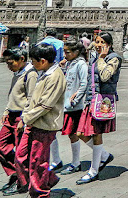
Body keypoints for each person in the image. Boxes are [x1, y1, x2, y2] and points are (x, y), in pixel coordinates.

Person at [14, 42, 66, 198]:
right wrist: (24, 117)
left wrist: (27, 118)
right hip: (33, 121)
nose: (32, 64)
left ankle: (41, 192)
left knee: (38, 162)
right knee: (20, 156)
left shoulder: (55, 76)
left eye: (34, 61)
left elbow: (45, 105)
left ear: (43, 61)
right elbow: (33, 99)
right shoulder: (43, 72)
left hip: (44, 124)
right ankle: (48, 178)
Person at [75, 33, 120, 185]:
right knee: (80, 133)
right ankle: (104, 155)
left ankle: (93, 170)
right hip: (91, 100)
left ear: (109, 44)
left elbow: (105, 75)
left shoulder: (113, 58)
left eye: (102, 42)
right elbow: (90, 78)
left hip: (102, 101)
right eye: (97, 42)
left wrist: (101, 58)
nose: (99, 44)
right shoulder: (94, 56)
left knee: (96, 134)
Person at [0, 48, 37, 195]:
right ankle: (16, 174)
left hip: (21, 117)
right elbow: (13, 94)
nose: (9, 66)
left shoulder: (30, 74)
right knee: (0, 145)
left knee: (21, 152)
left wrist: (24, 119)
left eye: (11, 63)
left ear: (22, 59)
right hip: (11, 115)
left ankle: (22, 182)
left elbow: (31, 98)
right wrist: (6, 111)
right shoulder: (17, 73)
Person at [49, 39, 89, 174]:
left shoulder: (81, 64)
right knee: (52, 131)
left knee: (73, 134)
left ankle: (76, 162)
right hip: (63, 104)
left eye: (67, 52)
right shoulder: (70, 63)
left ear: (76, 52)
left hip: (73, 106)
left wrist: (76, 99)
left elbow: (84, 83)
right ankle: (56, 160)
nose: (65, 54)